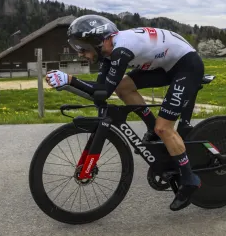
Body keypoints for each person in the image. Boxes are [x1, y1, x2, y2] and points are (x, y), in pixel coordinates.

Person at [45, 14, 204, 212]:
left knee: (165, 128)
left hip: (186, 66)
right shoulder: (108, 51)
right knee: (123, 88)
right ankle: (151, 128)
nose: (81, 54)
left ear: (98, 41)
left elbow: (102, 92)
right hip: (166, 65)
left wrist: (70, 80)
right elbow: (101, 91)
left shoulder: (121, 50)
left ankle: (190, 179)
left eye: (83, 48)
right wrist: (71, 85)